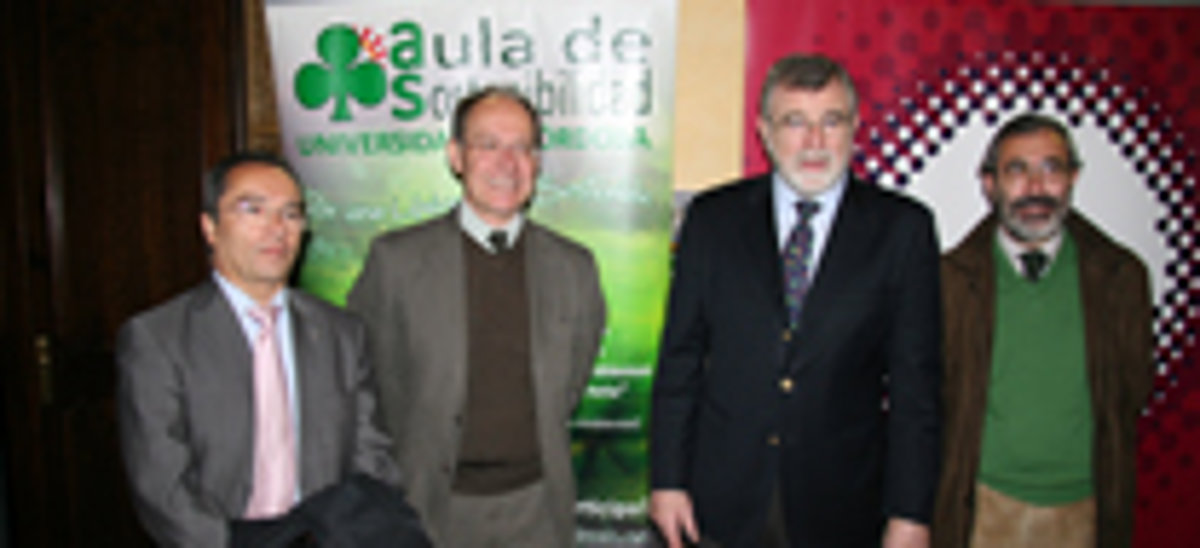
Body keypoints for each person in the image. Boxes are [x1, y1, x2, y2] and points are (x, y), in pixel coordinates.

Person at [649, 53, 942, 548]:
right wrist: (668, 480)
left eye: (832, 121)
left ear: (855, 127)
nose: (814, 142)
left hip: (843, 505)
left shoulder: (902, 230)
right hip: (721, 499)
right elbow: (680, 361)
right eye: (795, 122)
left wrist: (910, 513)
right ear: (764, 131)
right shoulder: (713, 220)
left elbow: (918, 389)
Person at [347, 86, 607, 546]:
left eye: (522, 147)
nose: (507, 163)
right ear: (456, 157)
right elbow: (366, 381)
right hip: (429, 507)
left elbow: (571, 382)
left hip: (537, 510)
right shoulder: (396, 262)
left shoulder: (574, 267)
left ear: (537, 162)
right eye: (488, 145)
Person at [116, 152, 402, 546]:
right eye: (253, 210)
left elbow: (370, 456)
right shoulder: (158, 338)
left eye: (291, 213)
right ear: (210, 227)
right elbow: (161, 488)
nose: (277, 228)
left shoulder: (341, 333)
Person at [933, 113, 1153, 548]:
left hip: (1085, 511)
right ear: (990, 183)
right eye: (1017, 170)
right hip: (982, 510)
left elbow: (1133, 390)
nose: (1035, 188)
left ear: (1073, 178)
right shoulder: (950, 282)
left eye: (1051, 169)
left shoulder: (1121, 278)